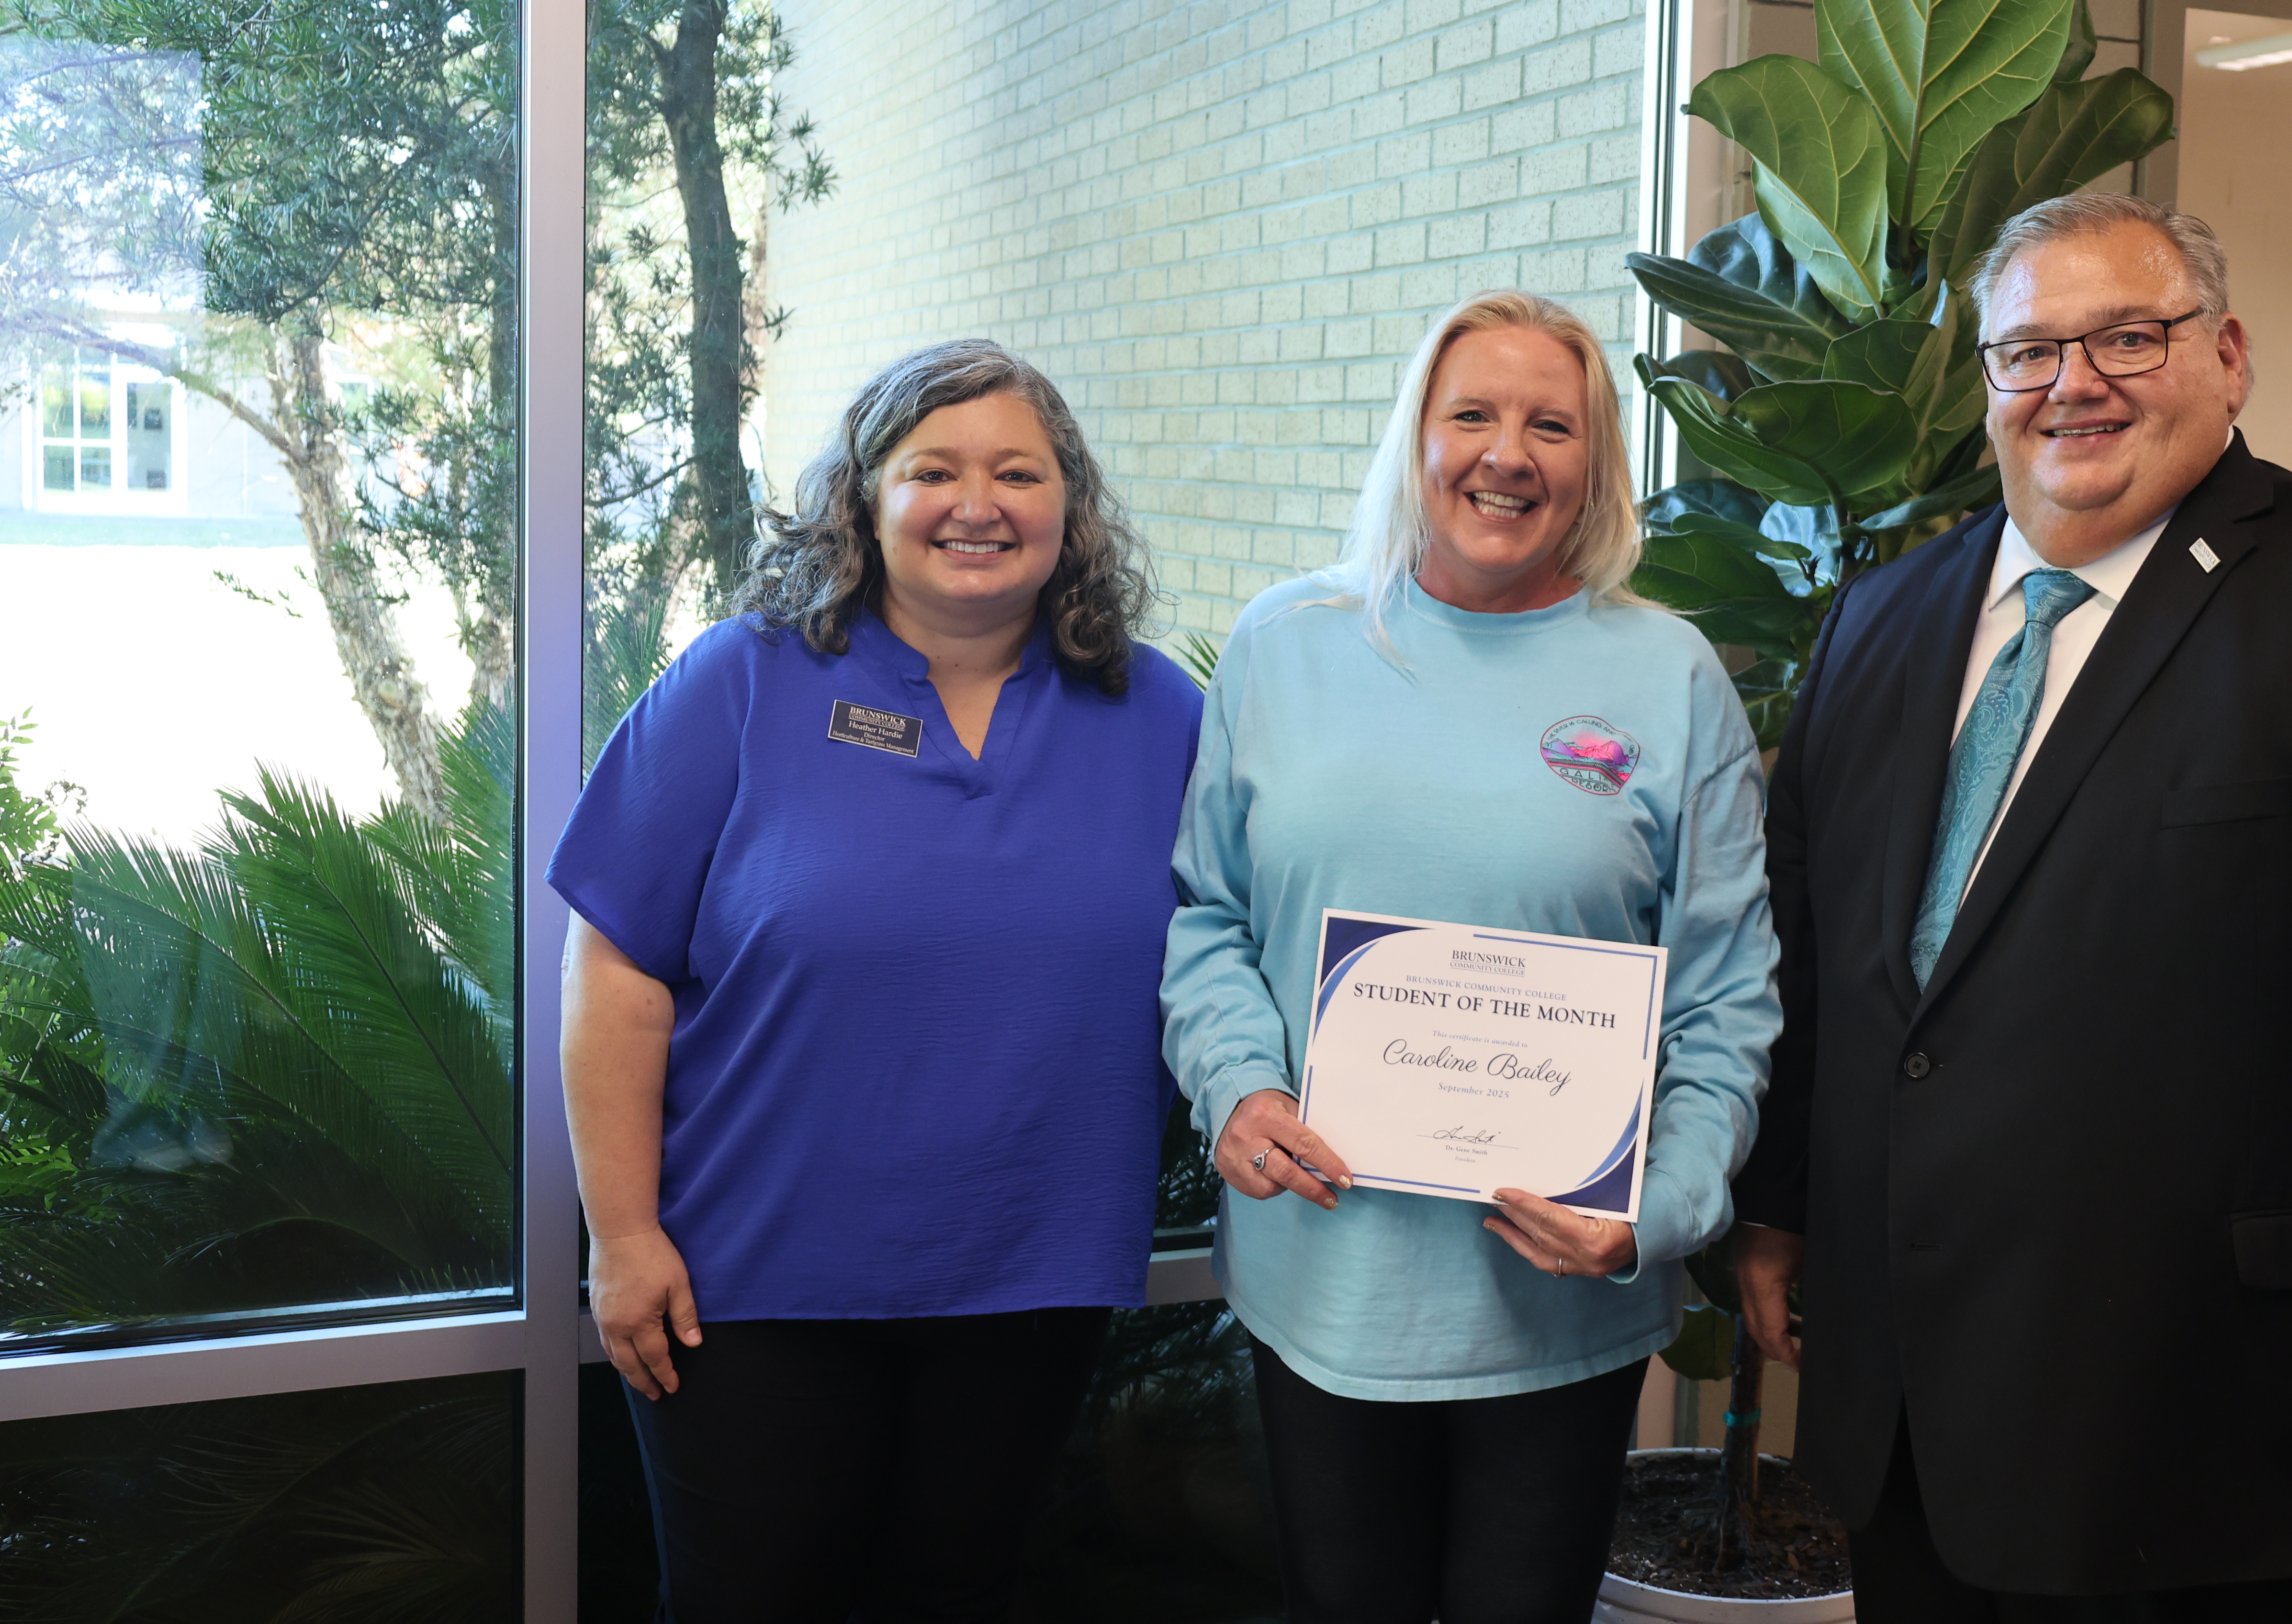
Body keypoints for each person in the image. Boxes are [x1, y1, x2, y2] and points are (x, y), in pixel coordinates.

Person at [1732, 193, 2292, 1622]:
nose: (2072, 383)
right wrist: (1779, 1212)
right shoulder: (1882, 616)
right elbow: (1817, 944)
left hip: (2248, 1444)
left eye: (2127, 338)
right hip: (1917, 1425)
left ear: (2227, 356)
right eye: (2026, 350)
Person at [551, 340, 1203, 1623]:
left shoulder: (1158, 714)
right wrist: (622, 1238)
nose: (979, 504)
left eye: (1019, 472)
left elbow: (1241, 937)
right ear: (865, 499)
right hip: (743, 1291)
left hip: (1028, 1280)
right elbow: (617, 963)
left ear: (1069, 507)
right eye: (934, 470)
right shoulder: (742, 682)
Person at [1160, 290, 1782, 1624]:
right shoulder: (1286, 646)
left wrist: (1655, 1213)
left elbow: (1727, 992)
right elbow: (1207, 916)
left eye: (1551, 424)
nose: (1510, 453)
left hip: (1558, 1319)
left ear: (1596, 465)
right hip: (1325, 1286)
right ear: (1416, 439)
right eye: (1474, 416)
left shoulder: (1670, 680)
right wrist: (1239, 1088)